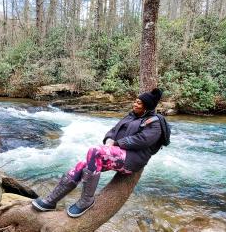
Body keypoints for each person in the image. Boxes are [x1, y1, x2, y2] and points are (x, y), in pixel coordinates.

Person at [32, 88, 165, 218]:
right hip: (116, 154)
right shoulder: (131, 116)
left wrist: (117, 144)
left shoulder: (154, 123)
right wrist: (109, 140)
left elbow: (142, 141)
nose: (134, 104)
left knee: (95, 151)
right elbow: (113, 130)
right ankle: (51, 201)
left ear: (147, 107)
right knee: (81, 165)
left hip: (133, 159)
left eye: (139, 103)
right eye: (135, 101)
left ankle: (86, 201)